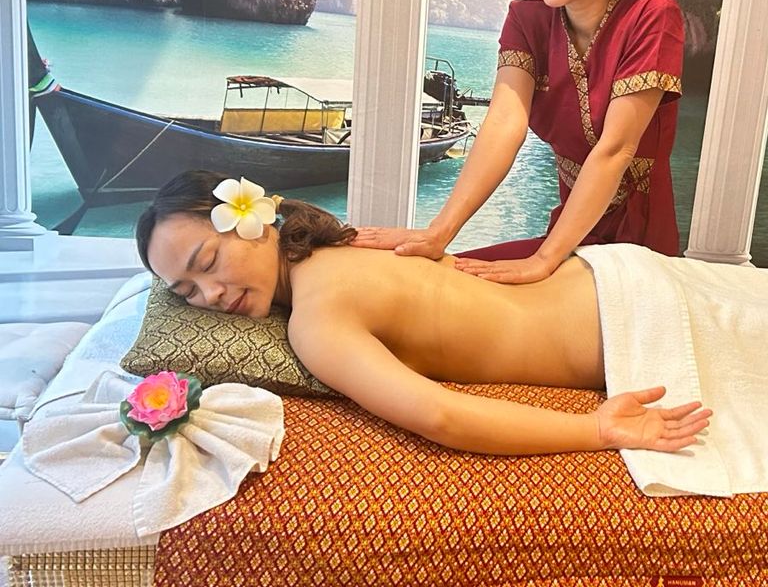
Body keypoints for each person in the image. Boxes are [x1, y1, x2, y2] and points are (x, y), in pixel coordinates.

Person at [135, 170, 713, 458]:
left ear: (255, 220)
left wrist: (597, 429)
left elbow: (440, 416)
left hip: (630, 320)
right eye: (185, 291)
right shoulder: (346, 242)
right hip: (619, 274)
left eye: (207, 262)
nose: (210, 295)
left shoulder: (316, 321)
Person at [353, 0, 685, 285]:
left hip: (637, 246)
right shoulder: (527, 21)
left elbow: (615, 150)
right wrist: (439, 233)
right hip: (568, 238)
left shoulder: (652, 14)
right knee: (423, 280)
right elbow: (503, 125)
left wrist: (543, 261)